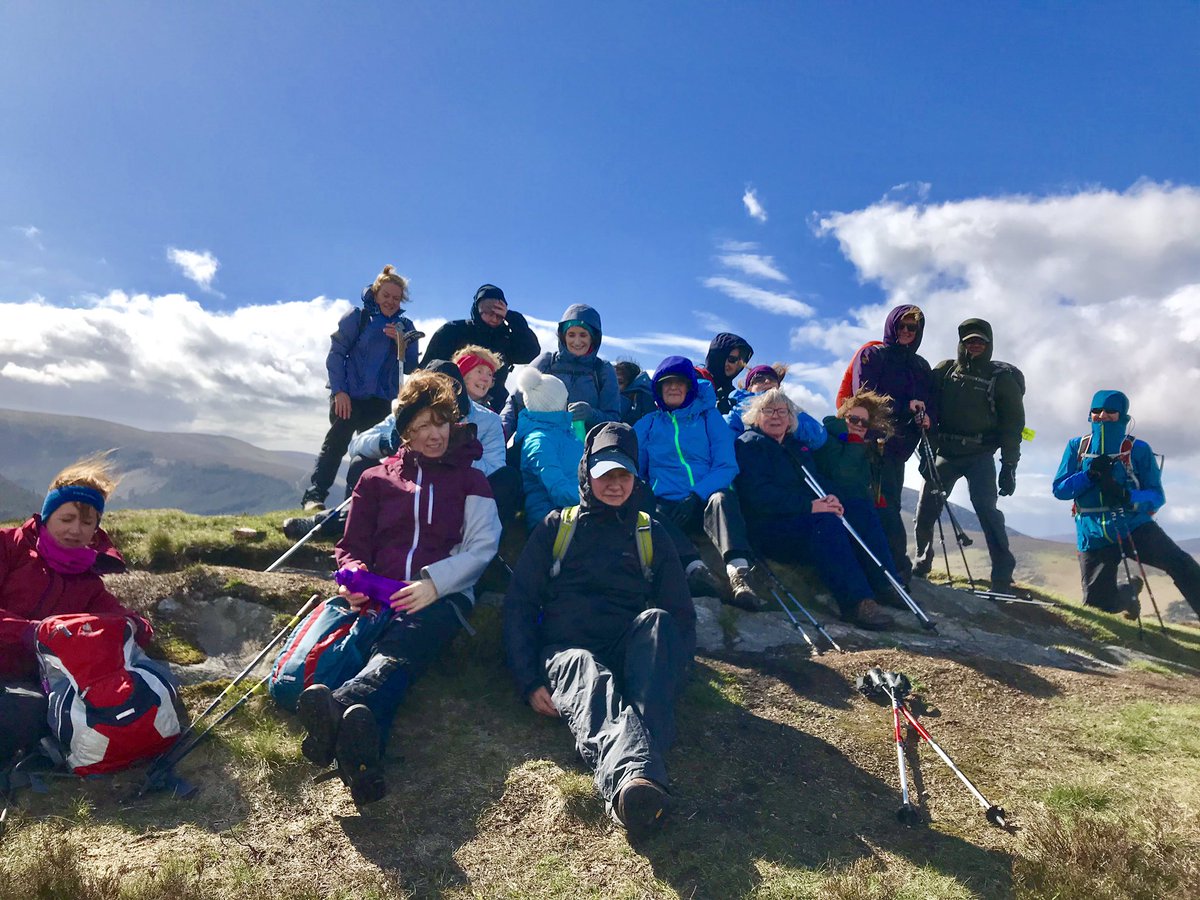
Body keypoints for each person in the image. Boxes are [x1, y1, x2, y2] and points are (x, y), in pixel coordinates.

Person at [295, 371, 501, 805]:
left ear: (452, 420)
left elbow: (483, 548)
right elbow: (350, 547)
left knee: (406, 638)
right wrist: (353, 580)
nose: (434, 434)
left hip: (441, 598)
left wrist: (433, 584)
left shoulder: (472, 480)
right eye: (420, 426)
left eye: (440, 422)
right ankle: (363, 765)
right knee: (386, 665)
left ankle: (339, 702)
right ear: (403, 432)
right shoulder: (374, 480)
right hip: (377, 594)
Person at [503, 421, 694, 838]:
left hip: (629, 653)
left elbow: (680, 616)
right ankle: (637, 786)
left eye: (624, 474)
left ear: (636, 478)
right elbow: (519, 605)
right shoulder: (558, 526)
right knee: (585, 667)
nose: (614, 483)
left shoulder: (650, 532)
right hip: (567, 651)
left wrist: (672, 675)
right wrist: (528, 680)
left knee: (658, 623)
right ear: (587, 471)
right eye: (605, 472)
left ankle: (631, 769)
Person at [1, 454, 153, 764]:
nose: (75, 530)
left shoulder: (89, 582)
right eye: (66, 518)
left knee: (31, 711)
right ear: (46, 516)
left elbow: (122, 620)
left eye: (87, 522)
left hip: (30, 684)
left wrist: (136, 626)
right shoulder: (8, 546)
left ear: (97, 528)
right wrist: (29, 632)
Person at [283, 360, 515, 538]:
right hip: (411, 482)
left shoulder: (488, 421)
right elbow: (357, 444)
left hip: (458, 490)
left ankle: (324, 523)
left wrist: (456, 455)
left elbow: (495, 468)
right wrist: (389, 441)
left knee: (509, 481)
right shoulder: (412, 411)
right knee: (364, 467)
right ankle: (335, 525)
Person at [734, 390, 896, 630]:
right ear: (756, 417)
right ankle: (856, 604)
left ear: (791, 419)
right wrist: (810, 506)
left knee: (857, 508)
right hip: (769, 528)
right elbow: (758, 496)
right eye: (768, 411)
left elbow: (815, 479)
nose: (776, 416)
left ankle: (885, 584)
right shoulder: (749, 445)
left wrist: (832, 497)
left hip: (799, 520)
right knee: (825, 522)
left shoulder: (796, 447)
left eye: (782, 411)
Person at [1052, 390, 1200, 621]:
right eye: (1096, 411)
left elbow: (1156, 495)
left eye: (1110, 411)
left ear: (1122, 416)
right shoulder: (1077, 447)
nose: (1102, 415)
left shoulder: (1137, 449)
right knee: (1097, 607)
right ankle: (1128, 595)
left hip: (1134, 526)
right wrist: (1090, 475)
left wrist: (1126, 496)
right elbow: (1060, 489)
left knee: (1182, 565)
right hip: (1092, 533)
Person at [634, 356, 765, 610]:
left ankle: (739, 575)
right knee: (649, 513)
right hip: (667, 504)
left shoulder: (709, 418)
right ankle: (697, 572)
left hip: (706, 500)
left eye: (680, 383)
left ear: (690, 387)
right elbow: (634, 465)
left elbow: (726, 464)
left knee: (722, 498)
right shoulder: (648, 424)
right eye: (666, 383)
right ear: (658, 390)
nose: (673, 388)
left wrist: (696, 495)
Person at [913, 318, 1024, 592]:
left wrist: (1009, 466)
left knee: (987, 510)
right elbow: (928, 410)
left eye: (980, 342)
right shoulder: (944, 371)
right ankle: (921, 561)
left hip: (980, 454)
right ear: (961, 343)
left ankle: (1001, 574)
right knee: (926, 508)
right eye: (969, 341)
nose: (975, 346)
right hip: (946, 452)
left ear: (989, 344)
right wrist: (926, 449)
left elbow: (1013, 426)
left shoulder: (1002, 380)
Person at [301, 265, 419, 511]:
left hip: (381, 400)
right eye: (386, 295)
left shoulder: (404, 326)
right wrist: (339, 391)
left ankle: (356, 505)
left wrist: (401, 344)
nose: (390, 301)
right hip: (349, 395)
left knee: (368, 454)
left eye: (396, 298)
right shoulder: (359, 317)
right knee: (336, 443)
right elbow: (337, 354)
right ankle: (314, 496)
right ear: (375, 293)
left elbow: (409, 366)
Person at [849, 305, 935, 583]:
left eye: (913, 328)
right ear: (892, 327)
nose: (907, 332)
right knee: (868, 503)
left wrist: (925, 417)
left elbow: (928, 401)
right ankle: (891, 567)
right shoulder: (872, 355)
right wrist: (905, 407)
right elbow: (864, 396)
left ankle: (889, 569)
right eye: (902, 326)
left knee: (889, 504)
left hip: (898, 449)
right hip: (867, 444)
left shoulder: (920, 366)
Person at [501, 304, 621, 438]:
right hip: (542, 443)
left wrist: (591, 414)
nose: (577, 341)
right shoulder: (547, 362)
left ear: (593, 338)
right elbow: (515, 402)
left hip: (588, 450)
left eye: (583, 335)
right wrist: (501, 431)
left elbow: (613, 420)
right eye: (571, 334)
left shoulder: (602, 370)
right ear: (563, 336)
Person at [421, 284, 541, 413]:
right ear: (477, 309)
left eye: (499, 314)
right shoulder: (454, 330)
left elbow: (531, 352)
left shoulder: (505, 338)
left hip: (495, 405)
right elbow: (427, 368)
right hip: (449, 403)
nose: (494, 318)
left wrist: (513, 318)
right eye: (488, 311)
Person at [513, 367, 585, 529]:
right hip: (551, 520)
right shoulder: (539, 441)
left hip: (577, 510)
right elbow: (558, 490)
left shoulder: (566, 432)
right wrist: (595, 501)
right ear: (558, 401)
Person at [814, 388, 895, 506]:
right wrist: (855, 444)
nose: (859, 425)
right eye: (854, 419)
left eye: (865, 423)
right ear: (842, 417)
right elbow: (844, 478)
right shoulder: (827, 440)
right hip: (834, 509)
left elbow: (862, 484)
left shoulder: (866, 449)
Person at [696, 333, 753, 415]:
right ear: (718, 357)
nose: (735, 365)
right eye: (732, 359)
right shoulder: (693, 380)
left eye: (740, 362)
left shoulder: (732, 394)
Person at [615, 360, 656, 426]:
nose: (613, 386)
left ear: (632, 384)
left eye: (619, 382)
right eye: (611, 381)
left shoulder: (644, 401)